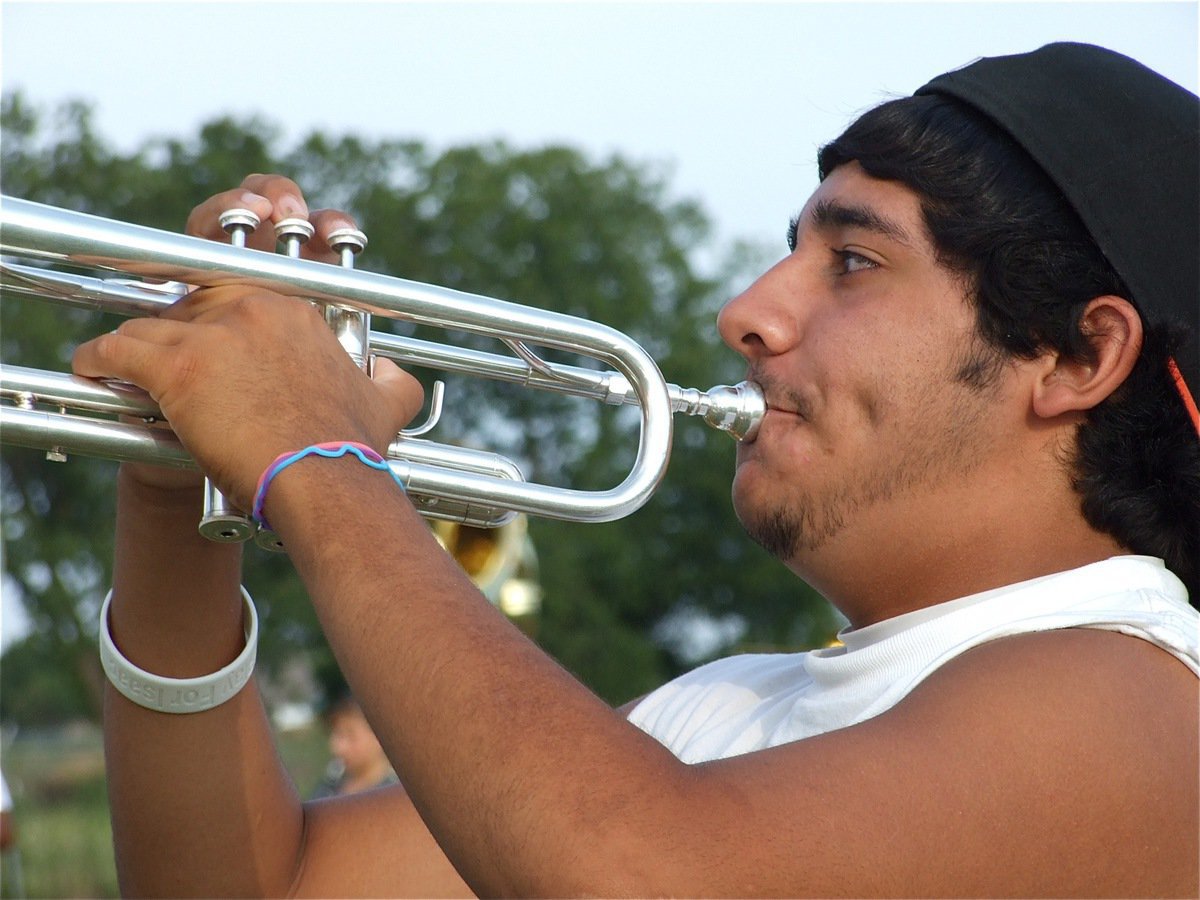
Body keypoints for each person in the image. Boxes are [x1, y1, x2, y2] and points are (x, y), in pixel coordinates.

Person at [81, 43, 1197, 897]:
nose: (748, 312)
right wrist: (177, 478)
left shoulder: (1147, 700)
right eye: (792, 248)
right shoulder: (729, 708)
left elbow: (642, 875)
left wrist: (315, 457)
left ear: (1077, 355)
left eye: (853, 261)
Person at [309, 694, 400, 800]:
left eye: (350, 736)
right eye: (336, 733)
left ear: (379, 736)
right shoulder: (331, 783)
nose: (337, 747)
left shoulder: (397, 796)